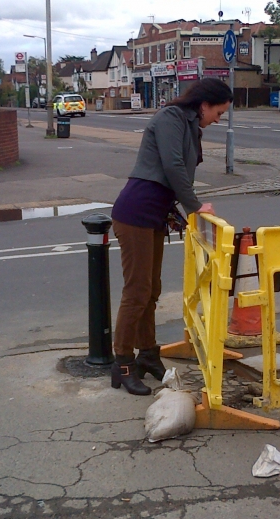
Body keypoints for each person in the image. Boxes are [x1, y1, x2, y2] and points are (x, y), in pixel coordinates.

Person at [110, 78, 233, 395]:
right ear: (204, 105)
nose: (218, 119)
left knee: (152, 290)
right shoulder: (170, 118)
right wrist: (194, 206)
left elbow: (179, 168)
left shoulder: (189, 124)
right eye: (218, 113)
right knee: (137, 291)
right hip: (136, 211)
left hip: (154, 214)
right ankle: (122, 364)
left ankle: (148, 354)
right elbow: (173, 164)